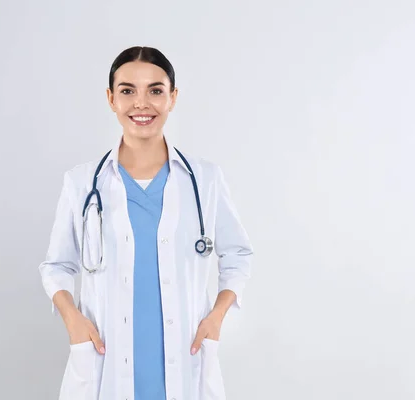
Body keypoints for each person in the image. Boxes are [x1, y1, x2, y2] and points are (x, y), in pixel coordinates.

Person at [38, 46, 253, 400]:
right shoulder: (81, 183)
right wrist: (72, 320)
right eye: (127, 91)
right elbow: (57, 265)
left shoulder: (205, 180)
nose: (142, 103)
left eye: (155, 90)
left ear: (173, 98)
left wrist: (216, 316)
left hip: (185, 359)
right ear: (111, 98)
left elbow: (238, 255)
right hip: (105, 361)